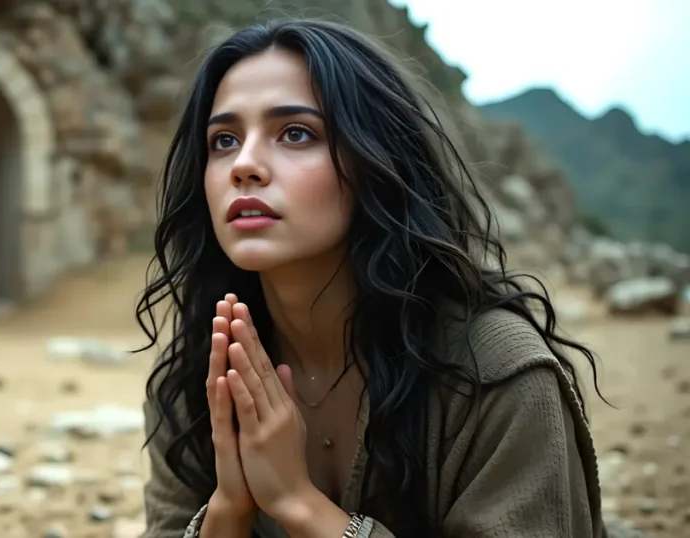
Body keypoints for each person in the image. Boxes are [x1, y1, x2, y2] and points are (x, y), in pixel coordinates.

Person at [133, 18, 607, 538]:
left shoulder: (496, 376)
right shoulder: (199, 377)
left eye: (296, 133)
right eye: (223, 140)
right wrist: (229, 510)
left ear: (376, 161)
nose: (243, 165)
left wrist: (299, 503)